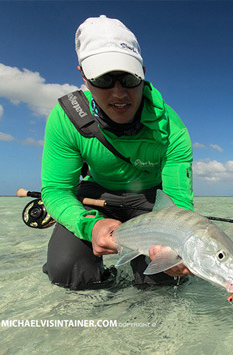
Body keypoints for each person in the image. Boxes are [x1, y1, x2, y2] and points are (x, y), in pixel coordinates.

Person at [41, 15, 194, 290]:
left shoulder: (173, 129)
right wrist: (90, 226)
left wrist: (178, 247)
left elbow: (178, 205)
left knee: (165, 280)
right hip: (97, 195)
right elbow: (56, 189)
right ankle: (107, 287)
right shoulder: (65, 118)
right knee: (67, 269)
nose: (119, 93)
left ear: (143, 73)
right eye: (103, 79)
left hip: (149, 202)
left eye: (129, 78)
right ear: (83, 76)